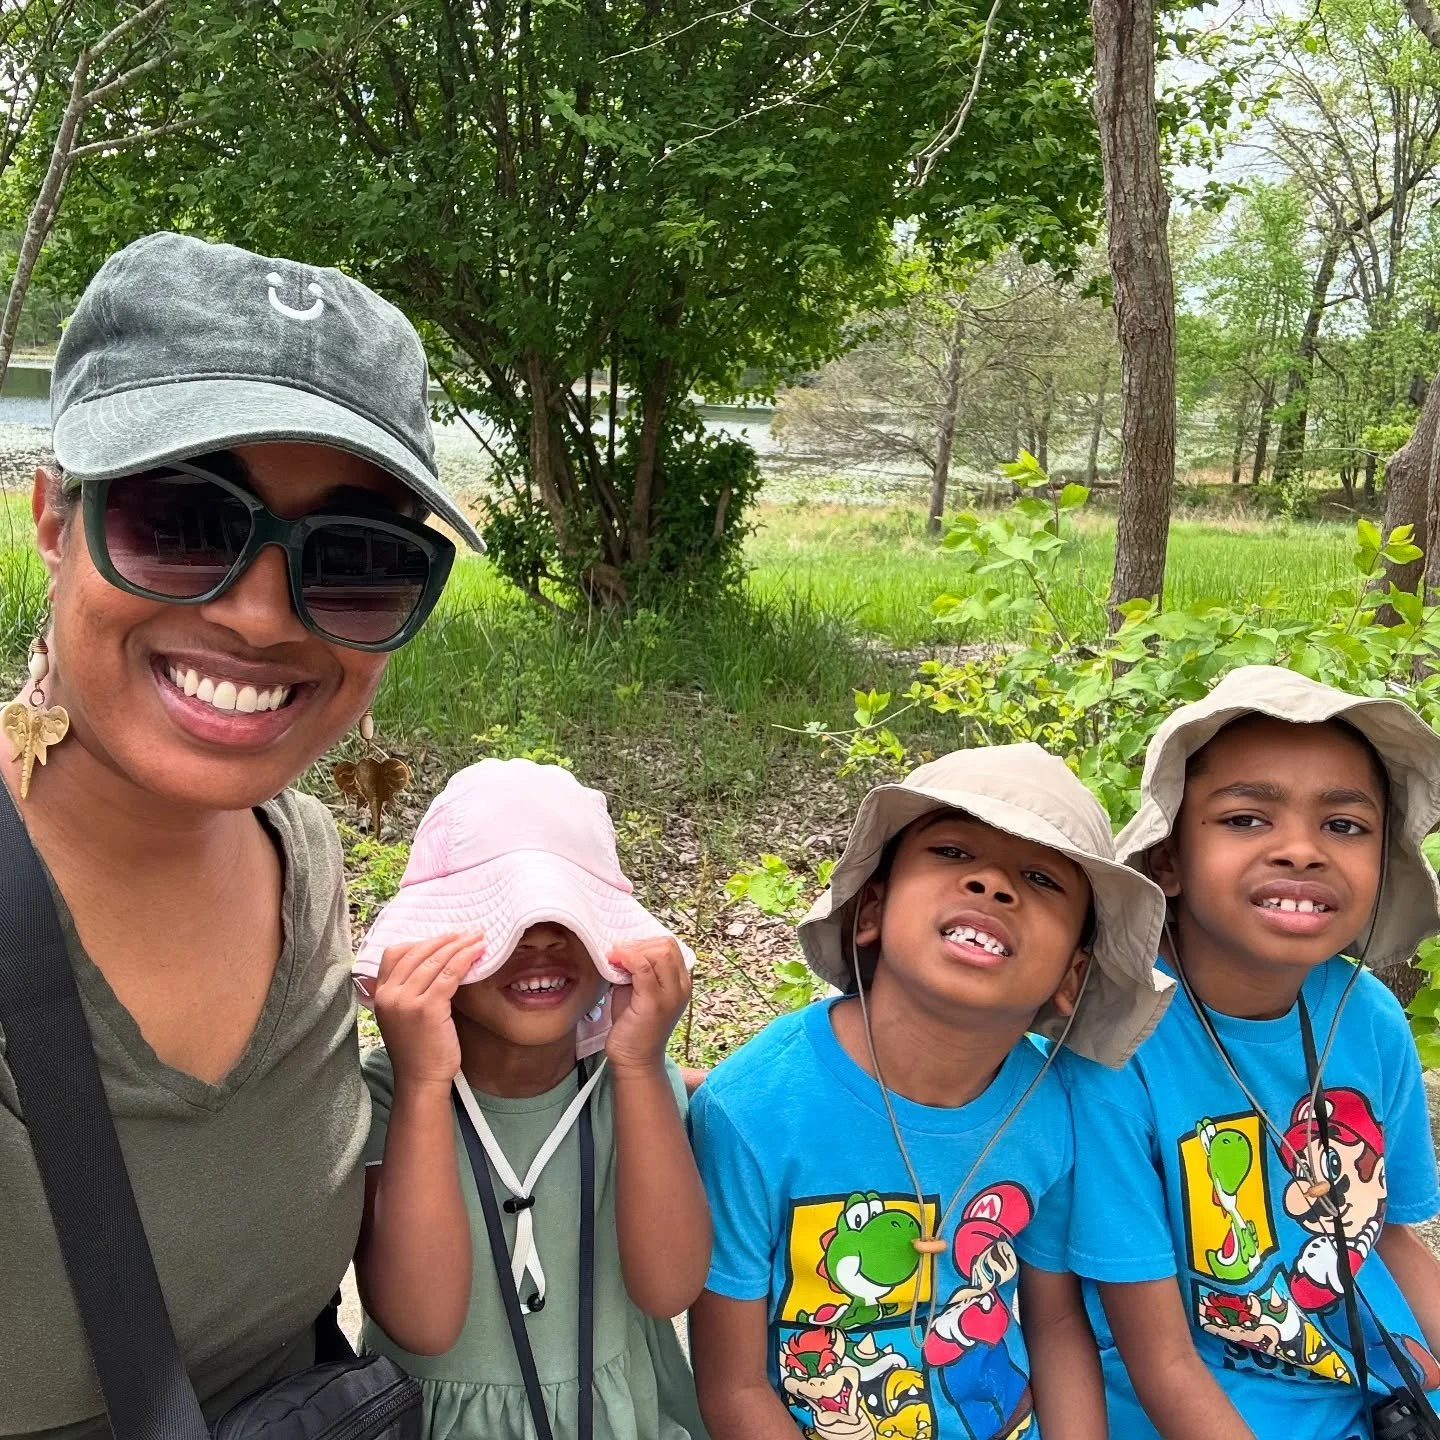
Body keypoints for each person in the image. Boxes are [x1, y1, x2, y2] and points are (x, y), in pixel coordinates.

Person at [0, 231, 482, 1439]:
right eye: (181, 520)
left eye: (356, 562)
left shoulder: (304, 855)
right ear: (56, 519)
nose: (262, 617)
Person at [687, 743, 1173, 1440]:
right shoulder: (753, 1112)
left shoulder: (1056, 1106)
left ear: (1072, 976)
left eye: (1040, 877)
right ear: (871, 909)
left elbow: (1055, 1322)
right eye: (951, 852)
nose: (992, 885)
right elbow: (733, 1389)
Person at [1064, 664, 1440, 1439]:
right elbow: (1160, 1358)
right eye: (1246, 819)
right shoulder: (1117, 1043)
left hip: (1378, 1383)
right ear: (1167, 859)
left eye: (1344, 825)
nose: (1301, 851)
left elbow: (1392, 1239)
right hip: (1205, 1405)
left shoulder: (1367, 1018)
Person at [352, 758, 711, 1440]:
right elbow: (422, 1323)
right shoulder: (384, 1098)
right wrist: (426, 1083)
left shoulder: (628, 1082)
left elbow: (669, 1289)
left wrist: (637, 1064)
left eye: (568, 917)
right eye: (504, 920)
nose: (543, 940)